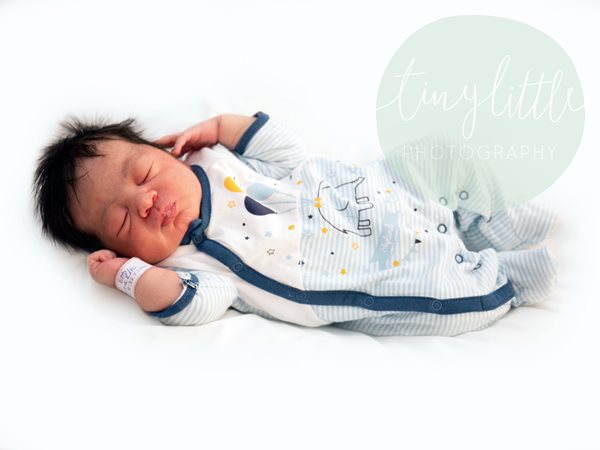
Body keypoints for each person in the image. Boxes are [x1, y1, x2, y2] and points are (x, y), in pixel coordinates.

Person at [32, 111, 558, 336]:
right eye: (123, 220)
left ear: (167, 151)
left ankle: (498, 223)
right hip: (355, 272)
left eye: (144, 174)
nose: (145, 203)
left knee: (437, 157)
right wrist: (127, 276)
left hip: (362, 192)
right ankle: (509, 278)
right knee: (441, 291)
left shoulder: (216, 161)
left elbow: (287, 152)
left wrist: (222, 126)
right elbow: (194, 303)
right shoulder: (186, 264)